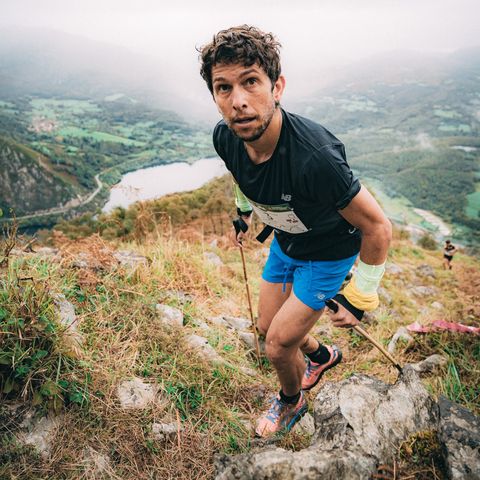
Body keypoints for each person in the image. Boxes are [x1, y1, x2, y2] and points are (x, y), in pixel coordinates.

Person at [198, 25, 392, 438]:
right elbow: (242, 176)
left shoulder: (315, 157)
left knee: (277, 345)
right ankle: (321, 355)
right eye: (223, 87)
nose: (239, 101)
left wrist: (359, 298)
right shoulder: (226, 137)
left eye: (251, 82)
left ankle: (291, 400)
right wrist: (242, 214)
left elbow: (377, 226)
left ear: (277, 86)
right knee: (267, 325)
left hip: (328, 255)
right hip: (287, 245)